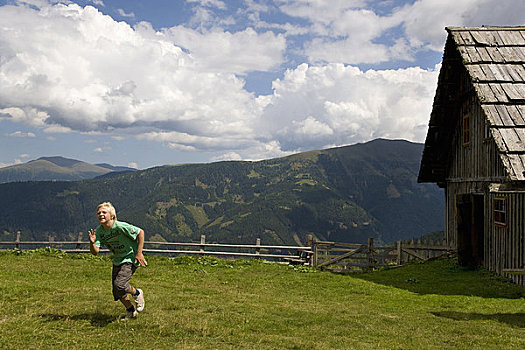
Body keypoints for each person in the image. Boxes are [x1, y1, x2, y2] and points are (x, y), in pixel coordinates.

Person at [88, 202, 147, 319]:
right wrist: (92, 242)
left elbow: (140, 232)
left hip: (130, 258)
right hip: (117, 260)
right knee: (117, 291)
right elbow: (95, 252)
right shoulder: (99, 232)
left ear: (112, 216)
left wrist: (139, 253)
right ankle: (131, 311)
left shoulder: (120, 226)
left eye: (104, 212)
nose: (100, 214)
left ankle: (137, 293)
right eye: (98, 213)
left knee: (120, 285)